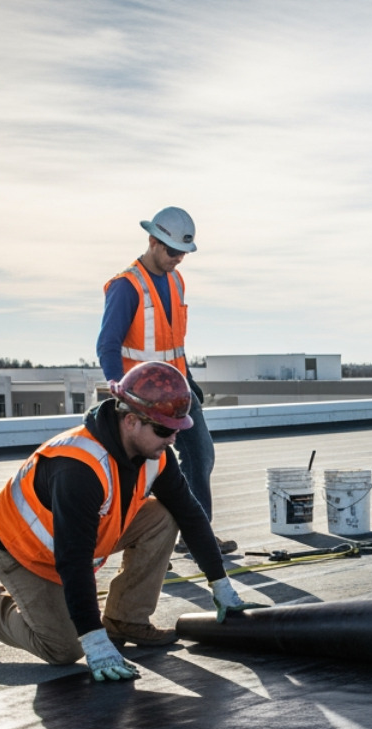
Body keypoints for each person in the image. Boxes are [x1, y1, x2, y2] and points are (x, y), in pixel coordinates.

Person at [0, 362, 263, 681]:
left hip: (78, 538)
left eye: (177, 430)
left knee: (166, 513)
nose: (172, 439)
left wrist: (222, 587)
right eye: (164, 430)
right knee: (65, 649)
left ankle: (126, 619)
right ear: (131, 420)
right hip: (22, 549)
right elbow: (73, 561)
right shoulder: (78, 468)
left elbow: (190, 514)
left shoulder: (155, 454)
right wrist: (94, 640)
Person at [96, 206, 235, 554]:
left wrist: (188, 379)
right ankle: (145, 546)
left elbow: (173, 340)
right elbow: (107, 345)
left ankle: (196, 536)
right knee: (141, 474)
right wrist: (119, 389)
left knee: (201, 456)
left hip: (177, 391)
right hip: (140, 399)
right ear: (153, 241)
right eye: (173, 251)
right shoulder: (126, 287)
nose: (178, 259)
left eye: (183, 253)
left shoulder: (175, 280)